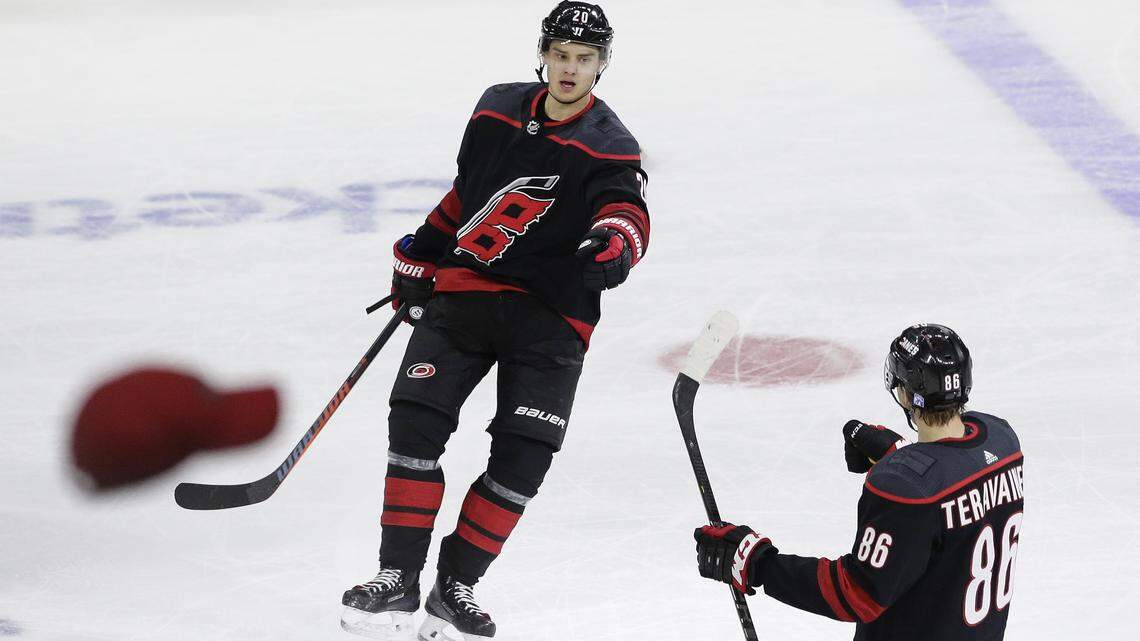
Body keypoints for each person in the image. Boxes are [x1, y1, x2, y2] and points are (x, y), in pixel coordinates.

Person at [340, 2, 649, 640]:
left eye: (585, 59)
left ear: (602, 65)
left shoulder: (610, 145)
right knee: (416, 428)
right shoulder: (494, 108)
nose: (570, 69)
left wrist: (615, 244)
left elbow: (625, 208)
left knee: (522, 459)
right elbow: (469, 192)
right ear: (543, 53)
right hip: (466, 297)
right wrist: (421, 252)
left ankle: (456, 588)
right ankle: (397, 580)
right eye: (561, 54)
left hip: (551, 318)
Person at [694, 324, 1024, 640]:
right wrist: (900, 453)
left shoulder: (905, 491)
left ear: (906, 395)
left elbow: (857, 592)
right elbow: (955, 493)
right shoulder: (1003, 442)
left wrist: (756, 563)